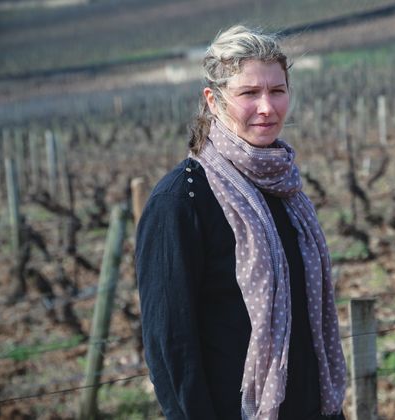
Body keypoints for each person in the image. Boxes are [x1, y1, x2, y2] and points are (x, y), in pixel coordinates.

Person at [135, 25, 347, 420]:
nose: (267, 107)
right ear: (213, 101)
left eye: (277, 91)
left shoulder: (286, 188)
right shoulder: (181, 201)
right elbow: (171, 346)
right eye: (249, 93)